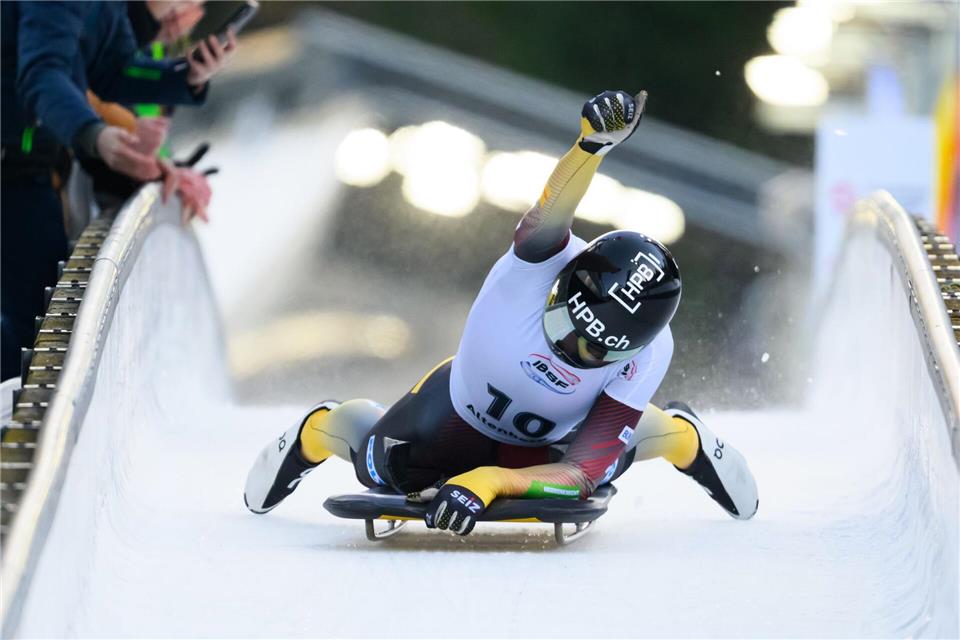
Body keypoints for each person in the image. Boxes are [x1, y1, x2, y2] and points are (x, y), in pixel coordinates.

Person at [244, 90, 759, 535]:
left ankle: (681, 435)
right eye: (574, 331)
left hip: (556, 440)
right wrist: (590, 147)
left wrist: (488, 482)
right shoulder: (538, 260)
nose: (576, 352)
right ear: (562, 286)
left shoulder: (651, 351)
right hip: (455, 407)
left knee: (602, 470)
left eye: (598, 351)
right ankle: (324, 424)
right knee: (382, 469)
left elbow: (580, 471)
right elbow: (553, 206)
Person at [0, 0, 234, 381]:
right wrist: (96, 137)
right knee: (37, 330)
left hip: (29, 167)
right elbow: (42, 76)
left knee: (40, 323)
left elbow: (114, 69)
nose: (189, 8)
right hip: (13, 166)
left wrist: (186, 75)